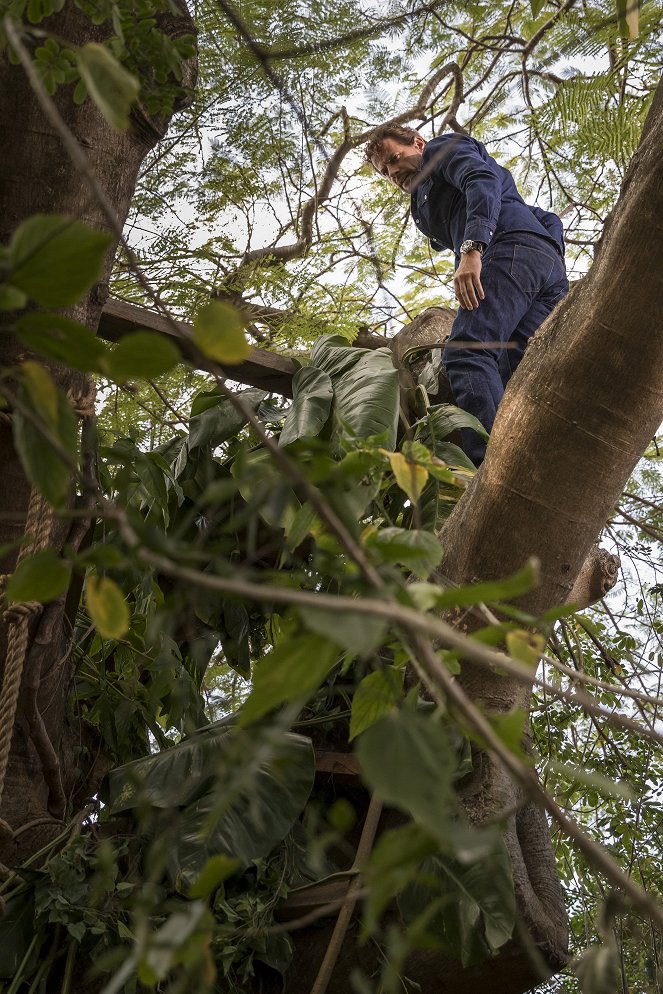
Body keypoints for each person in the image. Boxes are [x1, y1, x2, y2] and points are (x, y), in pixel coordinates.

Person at [365, 124, 568, 466]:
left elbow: (480, 180)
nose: (393, 172)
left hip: (508, 251)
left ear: (418, 142)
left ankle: (493, 471)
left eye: (395, 158)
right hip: (540, 269)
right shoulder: (425, 203)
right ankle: (540, 461)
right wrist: (552, 261)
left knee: (465, 353)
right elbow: (546, 218)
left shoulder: (440, 150)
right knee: (514, 371)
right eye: (385, 171)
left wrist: (472, 250)